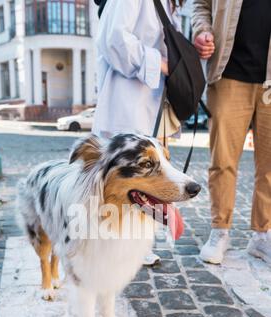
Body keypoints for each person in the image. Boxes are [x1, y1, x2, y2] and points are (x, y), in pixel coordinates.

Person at [92, 0, 183, 266]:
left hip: (154, 101)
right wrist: (162, 65)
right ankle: (111, 243)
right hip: (128, 99)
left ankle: (135, 243)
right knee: (122, 176)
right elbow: (114, 39)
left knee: (149, 178)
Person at [192, 0, 271, 265]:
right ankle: (220, 231)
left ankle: (262, 235)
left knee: (270, 166)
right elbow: (201, 5)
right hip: (229, 74)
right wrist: (202, 30)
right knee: (222, 160)